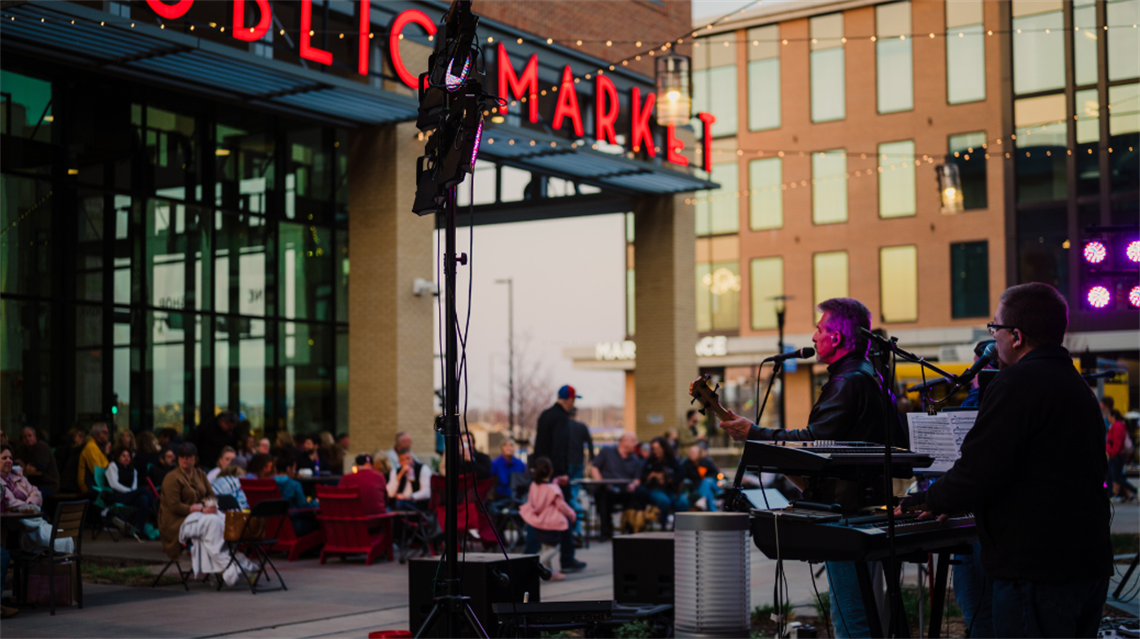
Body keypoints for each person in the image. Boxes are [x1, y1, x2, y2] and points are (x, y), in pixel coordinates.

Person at [900, 283, 1113, 639]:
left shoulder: (1016, 382)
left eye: (994, 329)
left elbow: (979, 471)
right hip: (1085, 564)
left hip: (1037, 571)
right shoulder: (1074, 383)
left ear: (1016, 336)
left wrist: (927, 500)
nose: (992, 339)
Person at [720, 297, 904, 639]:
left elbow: (815, 442)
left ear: (836, 338)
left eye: (820, 329)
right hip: (866, 510)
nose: (814, 336)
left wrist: (755, 433)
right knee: (861, 611)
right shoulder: (869, 376)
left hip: (846, 514)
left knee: (852, 618)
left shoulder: (847, 382)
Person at [159, 443, 254, 587]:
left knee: (225, 521)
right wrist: (195, 508)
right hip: (178, 521)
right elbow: (174, 506)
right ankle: (228, 568)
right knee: (213, 523)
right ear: (178, 458)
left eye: (189, 457)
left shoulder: (200, 474)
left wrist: (208, 505)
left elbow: (211, 495)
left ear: (194, 458)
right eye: (182, 456)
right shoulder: (172, 478)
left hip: (201, 516)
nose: (185, 460)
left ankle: (230, 563)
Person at [520, 457, 576, 581]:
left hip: (537, 521)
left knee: (545, 546)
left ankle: (549, 573)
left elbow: (541, 495)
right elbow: (561, 505)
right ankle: (533, 565)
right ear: (551, 471)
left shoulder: (533, 485)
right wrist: (572, 514)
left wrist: (555, 481)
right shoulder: (553, 489)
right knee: (553, 548)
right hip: (551, 523)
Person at [589, 432, 645, 540]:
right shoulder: (607, 452)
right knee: (602, 494)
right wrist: (599, 481)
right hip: (606, 489)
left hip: (625, 491)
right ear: (624, 442)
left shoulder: (636, 460)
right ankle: (605, 529)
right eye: (634, 441)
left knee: (639, 493)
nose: (636, 444)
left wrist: (633, 484)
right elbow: (594, 468)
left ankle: (631, 529)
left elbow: (637, 479)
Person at [105, 445, 159, 539]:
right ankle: (157, 513)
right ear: (118, 457)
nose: (126, 458)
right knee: (143, 490)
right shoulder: (113, 466)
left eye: (128, 456)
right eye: (123, 455)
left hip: (129, 497)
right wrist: (130, 492)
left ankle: (139, 530)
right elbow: (113, 484)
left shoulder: (133, 470)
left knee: (144, 498)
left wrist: (132, 492)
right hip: (115, 497)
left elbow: (134, 488)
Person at [638, 437, 688, 523]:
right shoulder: (650, 461)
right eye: (653, 449)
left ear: (664, 448)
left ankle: (677, 528)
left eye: (657, 448)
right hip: (655, 489)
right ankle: (663, 526)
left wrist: (669, 478)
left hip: (671, 489)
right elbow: (643, 476)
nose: (655, 451)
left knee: (682, 502)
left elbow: (682, 473)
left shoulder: (671, 460)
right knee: (664, 501)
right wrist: (653, 475)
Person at [534, 385, 578, 481]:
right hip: (554, 474)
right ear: (570, 400)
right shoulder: (561, 418)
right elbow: (559, 446)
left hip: (541, 471)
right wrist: (561, 473)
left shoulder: (545, 414)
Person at [274, 456, 319, 536]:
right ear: (288, 468)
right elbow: (304, 507)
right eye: (294, 469)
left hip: (275, 527)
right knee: (318, 523)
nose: (295, 472)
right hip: (293, 526)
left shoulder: (270, 484)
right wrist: (315, 502)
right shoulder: (294, 485)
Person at [16, 426, 60, 495]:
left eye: (29, 435)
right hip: (34, 485)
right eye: (24, 437)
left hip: (48, 485)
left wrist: (26, 466)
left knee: (29, 497)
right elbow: (19, 462)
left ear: (35, 436)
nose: (27, 438)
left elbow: (35, 468)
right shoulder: (25, 449)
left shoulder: (41, 447)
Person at [0, 444, 43, 512]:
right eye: (4, 458)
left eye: (10, 458)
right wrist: (28, 507)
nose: (9, 461)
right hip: (14, 518)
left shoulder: (17, 476)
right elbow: (9, 503)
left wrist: (30, 504)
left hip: (30, 514)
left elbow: (36, 492)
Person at [1108, 409, 1137, 502]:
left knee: (1116, 477)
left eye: (1109, 415)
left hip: (1116, 455)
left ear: (1113, 416)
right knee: (1110, 476)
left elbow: (1117, 442)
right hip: (1116, 455)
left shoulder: (1116, 426)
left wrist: (1113, 452)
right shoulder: (1118, 425)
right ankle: (1109, 495)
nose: (1107, 417)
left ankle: (1135, 490)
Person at [681, 445, 720, 512]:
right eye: (691, 452)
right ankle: (713, 511)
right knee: (708, 492)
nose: (692, 454)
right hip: (698, 488)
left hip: (712, 484)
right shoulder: (687, 464)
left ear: (699, 453)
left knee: (707, 481)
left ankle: (702, 500)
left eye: (694, 452)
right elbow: (684, 476)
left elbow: (715, 473)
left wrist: (705, 478)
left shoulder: (705, 462)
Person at [78, 422, 111, 498]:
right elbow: (98, 472)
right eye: (106, 432)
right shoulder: (92, 447)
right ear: (99, 434)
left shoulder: (99, 447)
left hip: (94, 485)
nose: (108, 435)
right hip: (89, 487)